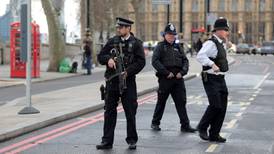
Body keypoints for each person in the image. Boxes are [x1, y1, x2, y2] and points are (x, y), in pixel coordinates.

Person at [96, 17, 145, 150]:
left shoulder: (136, 43)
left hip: (128, 81)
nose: (119, 29)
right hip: (112, 81)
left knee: (130, 111)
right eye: (118, 27)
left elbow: (141, 62)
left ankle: (132, 140)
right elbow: (100, 56)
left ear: (128, 28)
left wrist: (128, 72)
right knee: (109, 112)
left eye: (121, 27)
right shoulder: (112, 41)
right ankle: (107, 141)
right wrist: (109, 60)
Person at [150, 23, 196, 133]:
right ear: (165, 35)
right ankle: (155, 123)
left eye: (173, 35)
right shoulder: (160, 47)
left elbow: (185, 61)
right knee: (161, 102)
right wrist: (166, 73)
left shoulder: (178, 47)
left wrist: (183, 72)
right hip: (166, 78)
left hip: (178, 78)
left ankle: (185, 125)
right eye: (169, 34)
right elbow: (155, 61)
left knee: (181, 102)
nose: (171, 36)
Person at [196, 17, 230, 143]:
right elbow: (200, 56)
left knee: (222, 108)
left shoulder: (220, 43)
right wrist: (211, 64)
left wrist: (228, 44)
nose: (227, 32)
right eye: (225, 30)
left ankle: (215, 133)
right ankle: (202, 127)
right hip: (210, 78)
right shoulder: (210, 43)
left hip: (220, 78)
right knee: (215, 105)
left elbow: (220, 57)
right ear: (218, 31)